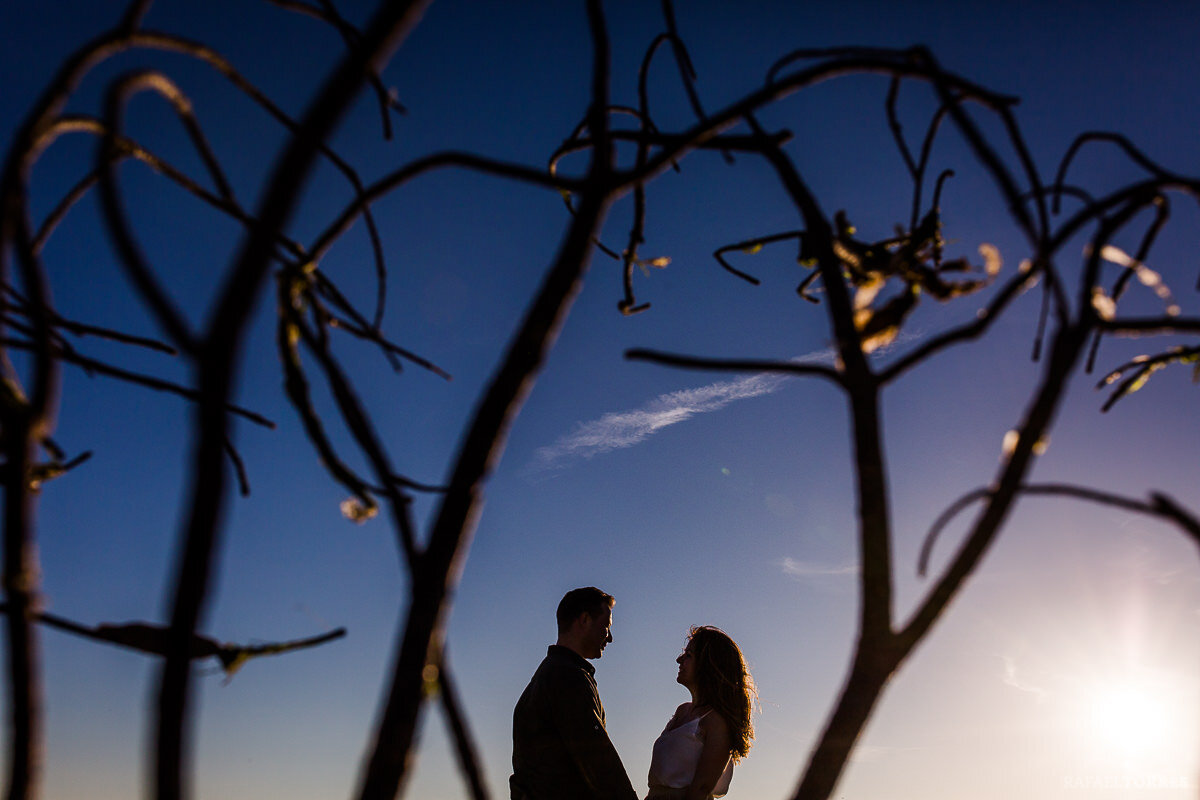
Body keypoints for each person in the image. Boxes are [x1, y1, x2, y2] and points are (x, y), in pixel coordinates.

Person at [511, 587, 639, 800]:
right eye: (606, 627)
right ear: (585, 619)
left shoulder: (545, 676)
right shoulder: (567, 676)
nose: (610, 638)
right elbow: (597, 758)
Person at [646, 627, 756, 800]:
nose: (679, 659)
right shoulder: (682, 711)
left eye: (688, 655)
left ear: (709, 665)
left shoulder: (716, 722)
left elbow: (701, 788)